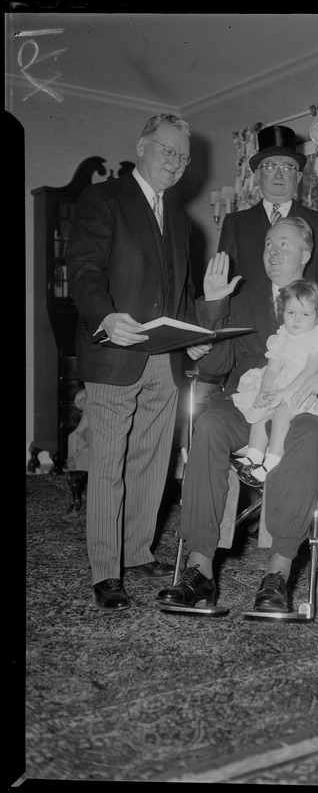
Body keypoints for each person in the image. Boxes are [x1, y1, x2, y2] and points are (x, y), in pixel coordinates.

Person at [157, 217, 318, 614]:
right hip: (249, 403)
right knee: (209, 425)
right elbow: (215, 367)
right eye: (269, 243)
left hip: (301, 405)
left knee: (306, 435)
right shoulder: (242, 297)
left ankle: (277, 572)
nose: (272, 251)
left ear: (306, 255)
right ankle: (199, 569)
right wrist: (216, 304)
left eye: (284, 245)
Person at [66, 113, 212, 612]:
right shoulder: (103, 199)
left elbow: (183, 291)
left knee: (151, 459)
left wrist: (193, 335)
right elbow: (83, 269)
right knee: (108, 461)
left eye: (183, 155)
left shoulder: (181, 219)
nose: (175, 162)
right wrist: (106, 316)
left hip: (164, 360)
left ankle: (136, 548)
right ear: (142, 147)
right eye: (167, 150)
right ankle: (107, 572)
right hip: (114, 352)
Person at [217, 124, 318, 310]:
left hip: (303, 326)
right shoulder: (235, 223)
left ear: (299, 176)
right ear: (257, 174)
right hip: (250, 330)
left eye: (288, 168)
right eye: (270, 166)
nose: (278, 174)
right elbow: (221, 284)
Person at [231, 279, 318, 486]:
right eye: (290, 313)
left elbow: (312, 369)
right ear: (281, 311)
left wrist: (286, 392)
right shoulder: (281, 337)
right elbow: (272, 368)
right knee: (261, 409)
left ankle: (273, 461)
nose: (296, 320)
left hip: (305, 387)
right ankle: (254, 455)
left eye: (305, 314)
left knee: (282, 413)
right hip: (282, 384)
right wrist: (264, 392)